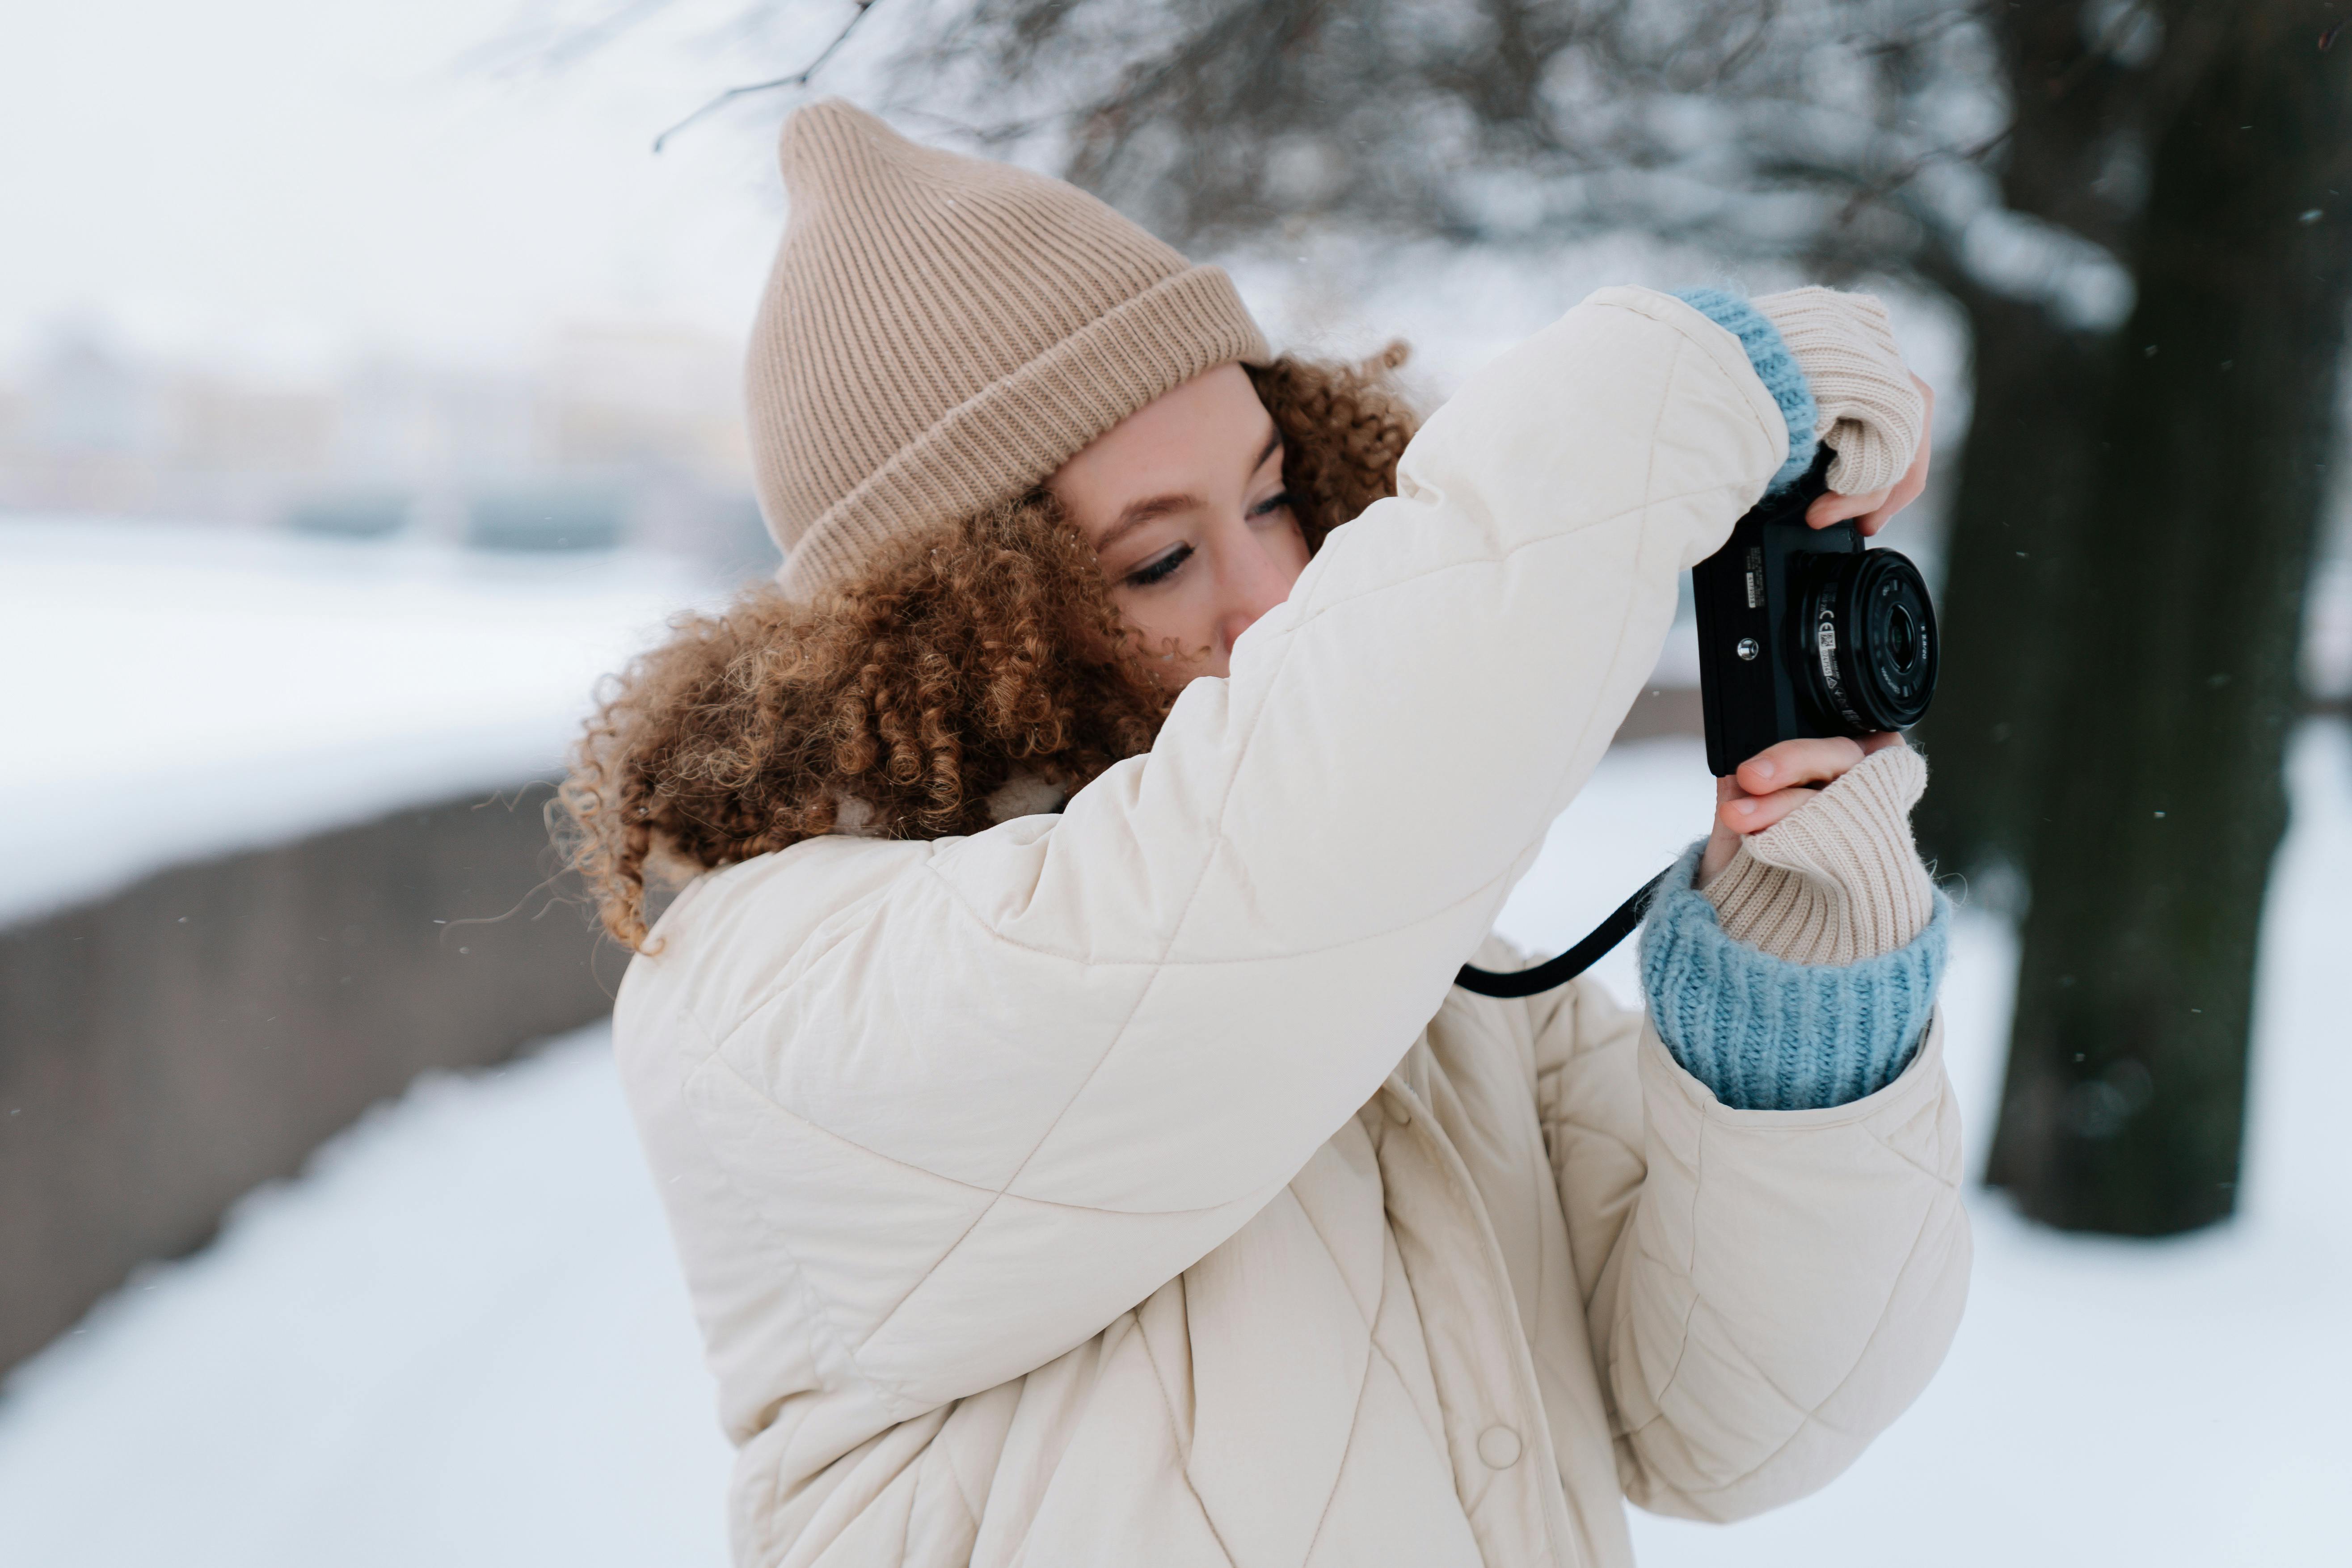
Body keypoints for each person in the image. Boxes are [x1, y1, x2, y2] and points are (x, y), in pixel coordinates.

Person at [564, 98, 1968, 1568]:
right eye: (1160, 555)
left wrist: (1800, 985)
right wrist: (1686, 387)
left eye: (1276, 499)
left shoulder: (1429, 981)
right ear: (946, 631)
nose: (1277, 596)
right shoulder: (776, 1001)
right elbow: (1246, 887)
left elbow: (1734, 1424)